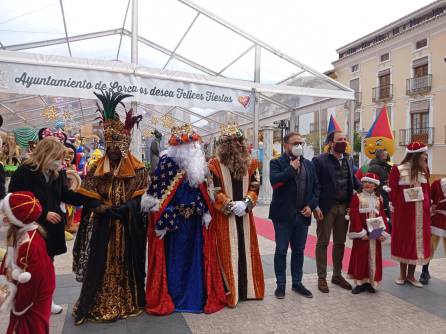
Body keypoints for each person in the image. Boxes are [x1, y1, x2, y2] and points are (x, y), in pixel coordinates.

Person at [72, 91, 148, 324]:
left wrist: (128, 207)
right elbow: (88, 195)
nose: (114, 150)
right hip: (104, 224)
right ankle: (94, 302)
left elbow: (141, 197)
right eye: (111, 145)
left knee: (127, 261)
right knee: (100, 262)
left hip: (126, 226)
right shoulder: (96, 167)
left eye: (118, 145)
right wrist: (100, 207)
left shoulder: (137, 168)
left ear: (125, 145)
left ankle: (129, 299)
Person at [143, 124, 226, 315]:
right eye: (190, 145)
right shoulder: (166, 165)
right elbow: (156, 199)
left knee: (196, 261)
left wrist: (205, 211)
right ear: (178, 147)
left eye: (194, 144)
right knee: (175, 261)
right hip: (175, 226)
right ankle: (175, 296)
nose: (194, 148)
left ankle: (196, 297)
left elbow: (202, 192)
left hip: (195, 224)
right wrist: (165, 219)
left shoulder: (197, 167)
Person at [8, 138, 95, 315]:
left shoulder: (57, 173)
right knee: (31, 266)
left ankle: (46, 300)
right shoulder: (25, 172)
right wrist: (42, 213)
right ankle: (29, 302)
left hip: (52, 229)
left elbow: (65, 194)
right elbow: (14, 201)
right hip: (31, 228)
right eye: (57, 157)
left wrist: (92, 200)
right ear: (45, 154)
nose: (60, 162)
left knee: (48, 265)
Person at [208, 124, 264, 307]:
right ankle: (231, 290)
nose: (239, 145)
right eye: (234, 142)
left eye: (241, 141)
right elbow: (213, 190)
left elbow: (255, 185)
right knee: (227, 252)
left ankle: (248, 290)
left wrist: (247, 202)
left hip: (246, 216)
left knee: (246, 250)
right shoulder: (214, 165)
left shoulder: (252, 163)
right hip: (225, 218)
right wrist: (230, 205)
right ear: (225, 144)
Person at [269, 132, 320, 299]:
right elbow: (275, 183)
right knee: (281, 251)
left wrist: (311, 206)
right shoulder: (276, 162)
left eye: (301, 143)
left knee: (299, 251)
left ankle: (297, 283)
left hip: (302, 215)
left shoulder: (310, 165)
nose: (299, 146)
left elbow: (316, 189)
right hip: (283, 216)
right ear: (286, 146)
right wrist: (291, 168)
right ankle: (281, 285)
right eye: (295, 143)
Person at [313, 130, 361, 293]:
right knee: (323, 242)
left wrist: (369, 189)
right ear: (331, 143)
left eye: (345, 139)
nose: (344, 142)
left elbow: (353, 181)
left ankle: (337, 275)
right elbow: (315, 185)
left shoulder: (348, 159)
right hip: (326, 208)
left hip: (344, 208)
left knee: (340, 243)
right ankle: (321, 278)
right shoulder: (319, 160)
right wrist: (315, 206)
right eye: (340, 139)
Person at [1, 191, 55, 334]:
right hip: (26, 294)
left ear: (16, 218)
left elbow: (35, 280)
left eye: (5, 212)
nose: (3, 216)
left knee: (31, 328)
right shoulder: (20, 234)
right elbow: (9, 260)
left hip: (32, 300)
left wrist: (19, 306)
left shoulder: (31, 244)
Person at [389, 141, 431, 287]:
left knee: (416, 244)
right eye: (424, 154)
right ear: (417, 155)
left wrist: (428, 206)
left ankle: (411, 276)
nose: (426, 156)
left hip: (421, 214)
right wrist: (398, 207)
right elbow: (393, 191)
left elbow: (427, 190)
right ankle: (402, 274)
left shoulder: (424, 170)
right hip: (404, 214)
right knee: (404, 241)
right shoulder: (398, 169)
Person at [347, 173, 390, 294]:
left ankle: (370, 282)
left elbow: (382, 215)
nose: (367, 184)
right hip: (363, 234)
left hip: (374, 234)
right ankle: (360, 283)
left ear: (376, 185)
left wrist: (381, 233)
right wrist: (361, 233)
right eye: (365, 182)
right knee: (360, 257)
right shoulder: (357, 197)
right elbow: (354, 215)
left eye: (370, 183)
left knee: (374, 258)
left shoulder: (378, 199)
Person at [419, 177, 446, 285]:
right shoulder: (437, 183)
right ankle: (424, 271)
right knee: (430, 247)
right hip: (436, 219)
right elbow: (429, 199)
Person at [367, 149, 392, 230]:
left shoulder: (385, 166)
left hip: (385, 193)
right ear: (381, 156)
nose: (387, 155)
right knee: (380, 213)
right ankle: (379, 232)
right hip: (379, 194)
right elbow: (370, 181)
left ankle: (386, 231)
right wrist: (377, 193)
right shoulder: (375, 166)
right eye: (385, 154)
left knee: (386, 213)